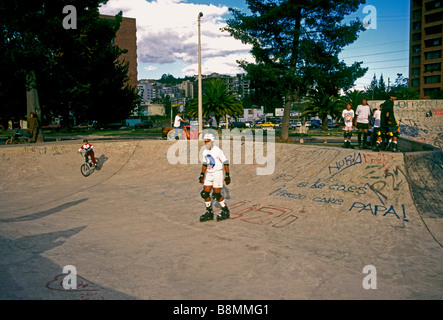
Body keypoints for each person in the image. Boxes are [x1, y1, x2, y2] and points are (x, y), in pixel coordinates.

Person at [199, 132, 231, 222]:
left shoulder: (217, 150)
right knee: (205, 193)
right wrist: (202, 174)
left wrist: (227, 175)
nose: (206, 143)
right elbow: (205, 164)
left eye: (208, 141)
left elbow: (225, 162)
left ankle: (225, 210)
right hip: (209, 174)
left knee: (216, 194)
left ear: (212, 141)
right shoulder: (205, 151)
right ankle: (209, 212)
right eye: (205, 141)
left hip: (217, 173)